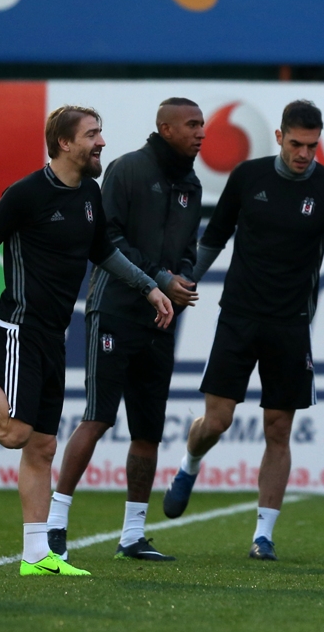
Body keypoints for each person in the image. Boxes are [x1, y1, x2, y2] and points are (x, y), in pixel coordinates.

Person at [0, 106, 174, 577]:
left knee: (43, 447)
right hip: (18, 328)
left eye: (101, 133)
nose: (102, 143)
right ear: (65, 144)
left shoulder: (90, 193)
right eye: (93, 135)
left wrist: (149, 287)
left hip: (54, 337)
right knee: (13, 433)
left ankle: (36, 556)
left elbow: (104, 253)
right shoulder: (26, 194)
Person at [161, 100, 324, 561]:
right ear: (279, 137)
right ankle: (190, 462)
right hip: (238, 315)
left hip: (291, 324)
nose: (304, 154)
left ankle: (263, 535)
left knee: (278, 429)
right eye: (296, 144)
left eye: (313, 146)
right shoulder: (248, 177)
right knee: (217, 421)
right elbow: (212, 239)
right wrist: (180, 286)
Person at [46, 98, 205, 563]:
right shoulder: (127, 169)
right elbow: (107, 238)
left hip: (160, 318)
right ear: (165, 128)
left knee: (149, 430)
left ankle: (133, 535)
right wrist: (159, 278)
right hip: (114, 310)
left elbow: (189, 246)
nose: (200, 133)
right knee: (97, 417)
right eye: (192, 125)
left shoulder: (191, 183)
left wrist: (185, 274)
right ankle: (55, 524)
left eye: (202, 125)